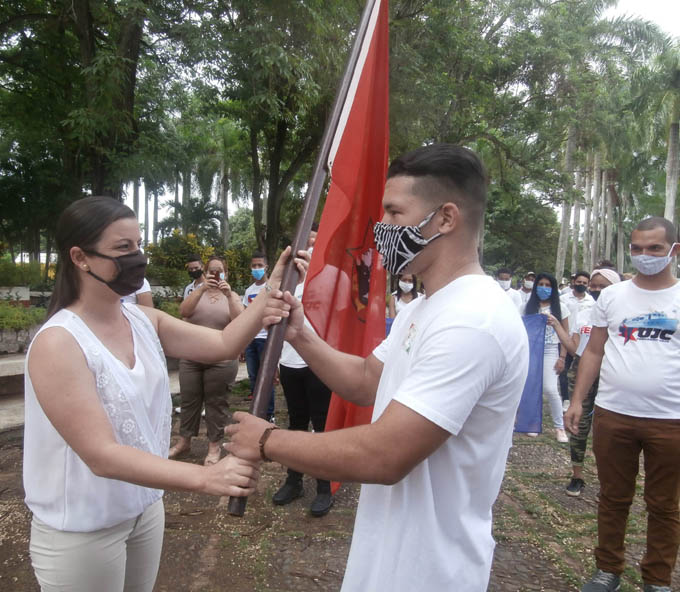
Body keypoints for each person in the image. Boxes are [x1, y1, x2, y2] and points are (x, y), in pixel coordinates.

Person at [226, 144, 530, 591]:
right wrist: (302, 335)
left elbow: (385, 454)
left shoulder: (474, 320)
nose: (381, 228)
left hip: (430, 570)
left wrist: (267, 440)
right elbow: (369, 380)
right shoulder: (424, 306)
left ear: (446, 218)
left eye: (393, 212)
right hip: (388, 553)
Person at [23, 196, 304, 592]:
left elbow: (224, 343)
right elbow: (102, 455)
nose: (136, 257)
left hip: (144, 510)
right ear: (80, 258)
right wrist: (208, 478)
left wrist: (269, 290)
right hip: (83, 530)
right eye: (123, 249)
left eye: (139, 246)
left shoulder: (142, 319)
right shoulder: (60, 342)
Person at [566, 217, 680, 592]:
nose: (644, 256)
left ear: (674, 251)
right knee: (614, 497)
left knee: (664, 505)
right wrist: (578, 400)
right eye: (637, 249)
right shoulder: (613, 297)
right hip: (615, 415)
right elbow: (594, 351)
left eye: (654, 249)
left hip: (671, 420)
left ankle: (658, 579)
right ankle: (607, 570)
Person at [274, 246, 334, 517]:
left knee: (321, 426)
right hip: (289, 364)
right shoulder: (282, 287)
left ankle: (324, 486)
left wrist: (313, 278)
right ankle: (294, 480)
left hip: (317, 365)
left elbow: (331, 312)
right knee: (296, 424)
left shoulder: (324, 284)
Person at [168, 256, 245, 465]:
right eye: (212, 271)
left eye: (220, 271)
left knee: (216, 403)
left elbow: (241, 322)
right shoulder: (196, 292)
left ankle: (214, 446)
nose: (215, 274)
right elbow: (184, 311)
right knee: (189, 401)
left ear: (226, 273)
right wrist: (201, 289)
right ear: (206, 272)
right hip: (191, 357)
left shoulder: (233, 296)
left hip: (221, 360)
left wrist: (228, 296)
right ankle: (184, 442)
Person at [560, 268, 620, 497]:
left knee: (608, 428)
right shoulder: (585, 314)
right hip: (582, 371)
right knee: (579, 426)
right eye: (593, 286)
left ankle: (609, 480)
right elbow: (576, 347)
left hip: (611, 374)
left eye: (602, 287)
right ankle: (577, 475)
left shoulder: (621, 315)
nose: (595, 290)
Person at [523, 272, 570, 442]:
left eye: (548, 285)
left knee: (550, 389)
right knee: (531, 388)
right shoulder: (527, 307)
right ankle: (532, 423)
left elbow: (566, 335)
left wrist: (562, 358)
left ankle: (559, 427)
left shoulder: (561, 308)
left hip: (551, 350)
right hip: (531, 351)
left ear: (554, 288)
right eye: (541, 284)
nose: (544, 288)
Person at [242, 251, 276, 421]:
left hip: (266, 339)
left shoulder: (271, 287)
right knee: (254, 377)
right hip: (251, 340)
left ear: (266, 267)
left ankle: (269, 414)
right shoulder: (249, 291)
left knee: (267, 377)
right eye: (254, 266)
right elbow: (244, 315)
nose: (256, 269)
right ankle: (257, 411)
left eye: (259, 266)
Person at [559, 271, 595, 409]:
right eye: (579, 282)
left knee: (579, 370)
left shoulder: (591, 301)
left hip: (582, 341)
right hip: (565, 339)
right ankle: (566, 398)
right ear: (574, 282)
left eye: (584, 283)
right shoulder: (564, 299)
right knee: (564, 370)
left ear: (588, 285)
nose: (581, 285)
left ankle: (579, 398)